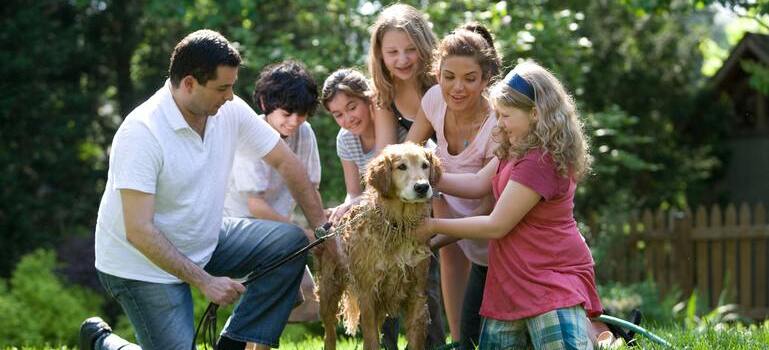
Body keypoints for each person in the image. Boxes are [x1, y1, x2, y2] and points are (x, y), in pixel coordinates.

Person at [82, 30, 333, 350]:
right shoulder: (142, 132)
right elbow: (139, 230)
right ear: (189, 84)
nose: (230, 96)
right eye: (222, 88)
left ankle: (234, 344)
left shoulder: (227, 110)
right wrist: (205, 281)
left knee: (288, 242)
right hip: (142, 264)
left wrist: (324, 232)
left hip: (204, 236)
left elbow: (288, 164)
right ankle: (103, 343)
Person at [413, 61, 603, 349]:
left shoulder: (540, 161)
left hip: (549, 278)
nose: (498, 123)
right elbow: (477, 183)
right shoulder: (515, 148)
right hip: (512, 279)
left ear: (535, 114)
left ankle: (600, 337)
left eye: (505, 115)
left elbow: (496, 224)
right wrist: (426, 176)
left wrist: (431, 226)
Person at [406, 23, 500, 349]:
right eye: (449, 77)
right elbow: (408, 152)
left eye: (470, 79)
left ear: (487, 79)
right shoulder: (433, 100)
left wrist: (431, 239)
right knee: (467, 340)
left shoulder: (498, 124)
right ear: (437, 74)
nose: (457, 88)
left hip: (500, 241)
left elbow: (490, 207)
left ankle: (605, 334)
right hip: (458, 233)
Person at [367, 5, 447, 348]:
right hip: (417, 191)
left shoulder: (444, 83)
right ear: (380, 56)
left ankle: (437, 340)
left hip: (450, 181)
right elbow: (386, 152)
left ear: (425, 47)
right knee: (394, 252)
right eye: (392, 52)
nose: (402, 59)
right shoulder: (384, 96)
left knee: (431, 273)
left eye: (410, 49)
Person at [223, 60, 322, 323]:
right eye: (287, 113)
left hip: (282, 232)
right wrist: (303, 234)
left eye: (301, 115)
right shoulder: (250, 134)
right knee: (280, 297)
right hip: (242, 230)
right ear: (266, 104)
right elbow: (255, 206)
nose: (294, 122)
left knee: (309, 299)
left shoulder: (305, 132)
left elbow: (310, 190)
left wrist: (322, 231)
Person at [321, 68, 407, 223]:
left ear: (368, 100)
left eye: (352, 107)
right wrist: (347, 206)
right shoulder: (345, 140)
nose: (348, 119)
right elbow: (353, 192)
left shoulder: (395, 130)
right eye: (338, 115)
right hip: (379, 205)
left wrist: (359, 202)